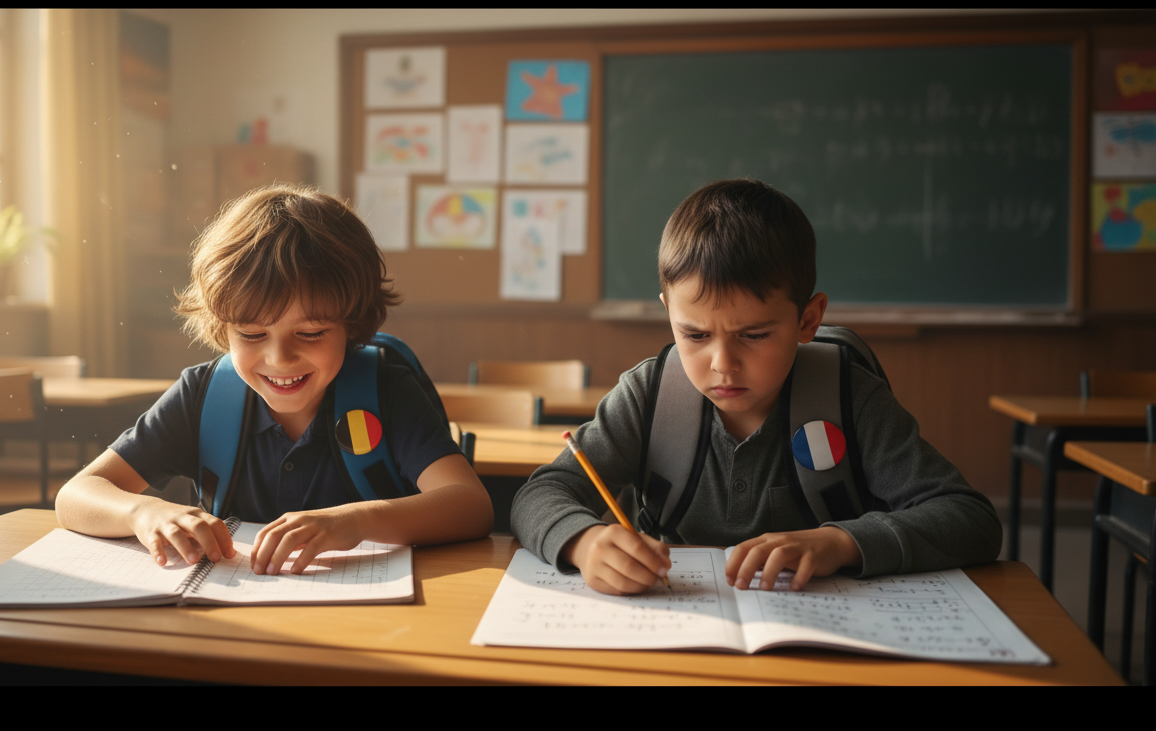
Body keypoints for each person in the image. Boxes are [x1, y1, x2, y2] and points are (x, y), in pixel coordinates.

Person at [510, 178, 1001, 595]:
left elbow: (970, 519)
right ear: (668, 312)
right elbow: (540, 493)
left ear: (808, 320)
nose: (723, 364)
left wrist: (840, 543)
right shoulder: (648, 396)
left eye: (754, 335)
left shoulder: (850, 396)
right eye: (694, 335)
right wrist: (584, 541)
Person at [56, 184, 493, 575]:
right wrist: (143, 512)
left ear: (352, 325)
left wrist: (356, 521)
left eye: (311, 333)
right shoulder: (203, 397)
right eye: (251, 335)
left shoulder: (387, 392)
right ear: (222, 328)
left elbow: (471, 505)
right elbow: (76, 495)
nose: (279, 358)